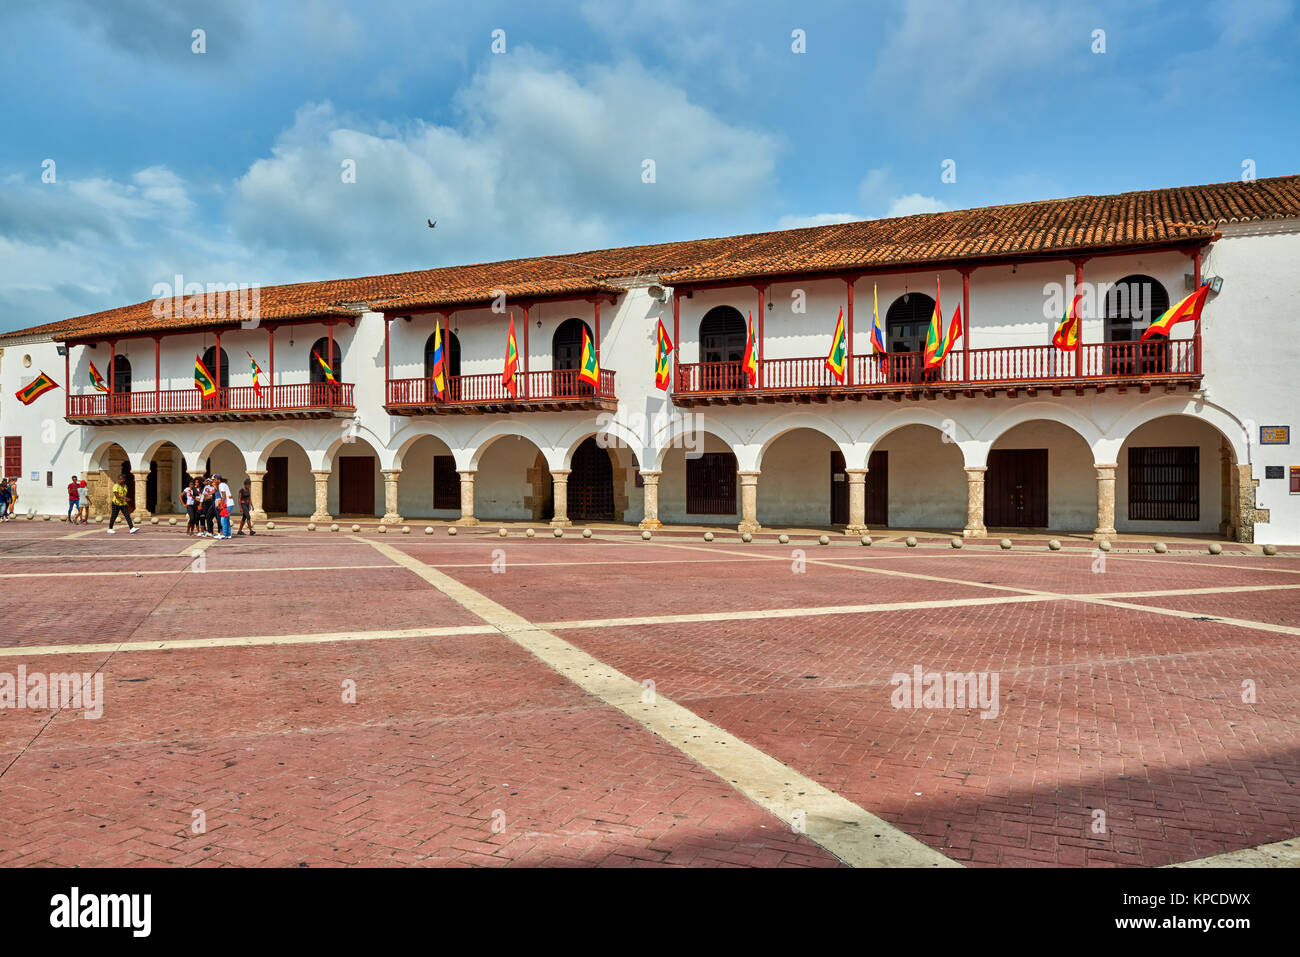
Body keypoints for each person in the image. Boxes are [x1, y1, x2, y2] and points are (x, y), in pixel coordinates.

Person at [216, 475, 232, 540]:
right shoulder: (223, 484)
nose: (214, 481)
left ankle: (224, 534)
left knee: (223, 519)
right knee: (226, 520)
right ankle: (229, 534)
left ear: (218, 479)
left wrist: (221, 505)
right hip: (229, 503)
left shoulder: (221, 485)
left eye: (215, 479)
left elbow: (223, 495)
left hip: (227, 504)